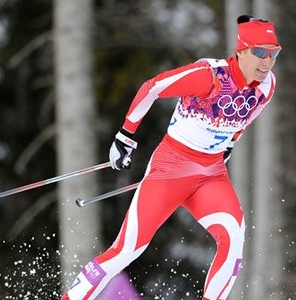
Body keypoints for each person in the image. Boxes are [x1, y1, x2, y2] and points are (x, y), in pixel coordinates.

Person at [61, 14, 281, 300]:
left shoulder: (267, 87)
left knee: (233, 240)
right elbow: (151, 88)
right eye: (260, 53)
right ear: (241, 50)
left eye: (273, 54)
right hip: (171, 168)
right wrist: (125, 136)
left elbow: (242, 119)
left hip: (210, 175)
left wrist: (228, 144)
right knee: (127, 249)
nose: (267, 62)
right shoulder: (209, 75)